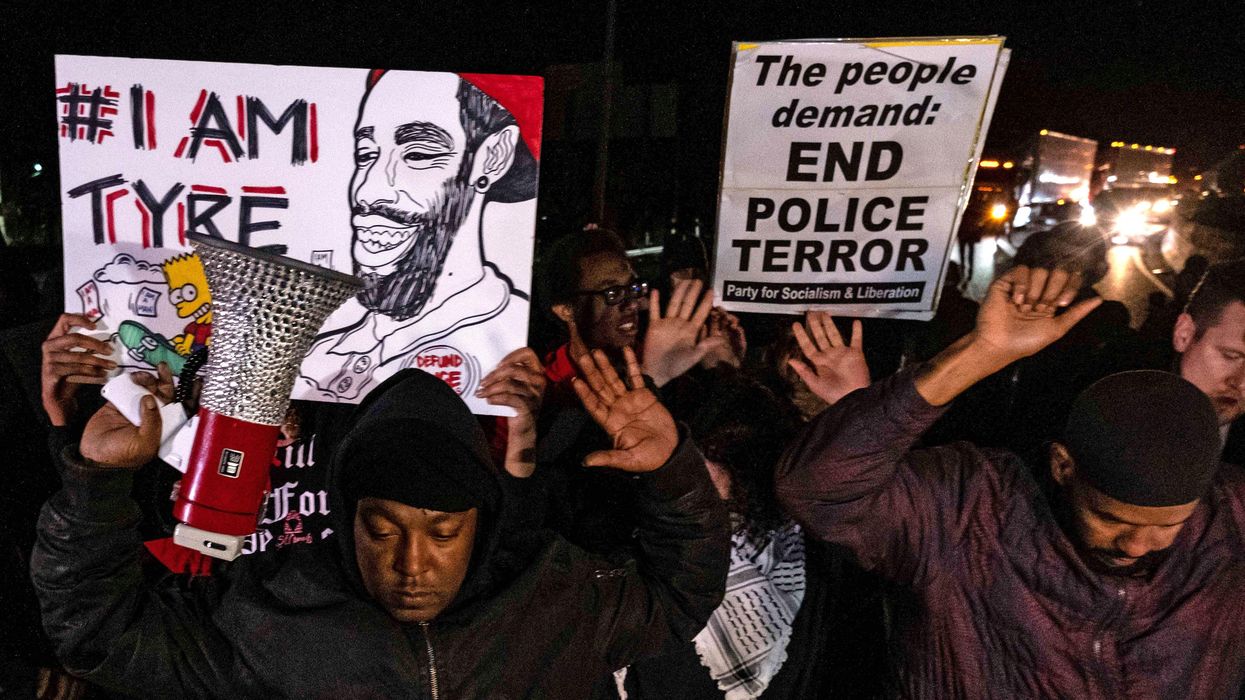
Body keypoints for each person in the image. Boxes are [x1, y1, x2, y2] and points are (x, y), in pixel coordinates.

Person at [32, 346, 730, 698]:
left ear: (481, 524)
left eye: (442, 531)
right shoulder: (265, 608)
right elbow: (96, 631)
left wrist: (673, 473)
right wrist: (98, 481)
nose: (412, 563)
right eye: (383, 528)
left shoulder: (557, 598)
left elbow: (679, 595)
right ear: (344, 514)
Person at [776, 266, 1245, 697]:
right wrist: (981, 354)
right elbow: (819, 488)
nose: (1139, 545)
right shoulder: (972, 512)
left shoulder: (1231, 520)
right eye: (1110, 517)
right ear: (1063, 467)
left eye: (1169, 525)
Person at [616, 373, 882, 699]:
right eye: (686, 453)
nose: (696, 469)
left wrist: (862, 416)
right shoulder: (640, 548)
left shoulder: (815, 552)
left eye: (715, 453)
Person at [300, 69, 540, 403]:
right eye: (366, 154)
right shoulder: (322, 353)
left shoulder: (503, 355)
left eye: (417, 155)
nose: (367, 191)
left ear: (492, 156)